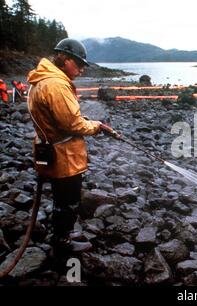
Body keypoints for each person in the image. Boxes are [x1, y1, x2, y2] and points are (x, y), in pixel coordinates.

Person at [27, 38, 105, 261]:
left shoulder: (42, 79)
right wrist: (96, 126)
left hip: (49, 148)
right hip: (64, 155)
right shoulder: (56, 84)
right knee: (68, 200)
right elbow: (73, 124)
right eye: (78, 65)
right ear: (65, 58)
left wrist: (81, 119)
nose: (80, 70)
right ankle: (62, 243)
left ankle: (64, 234)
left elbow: (59, 117)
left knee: (61, 198)